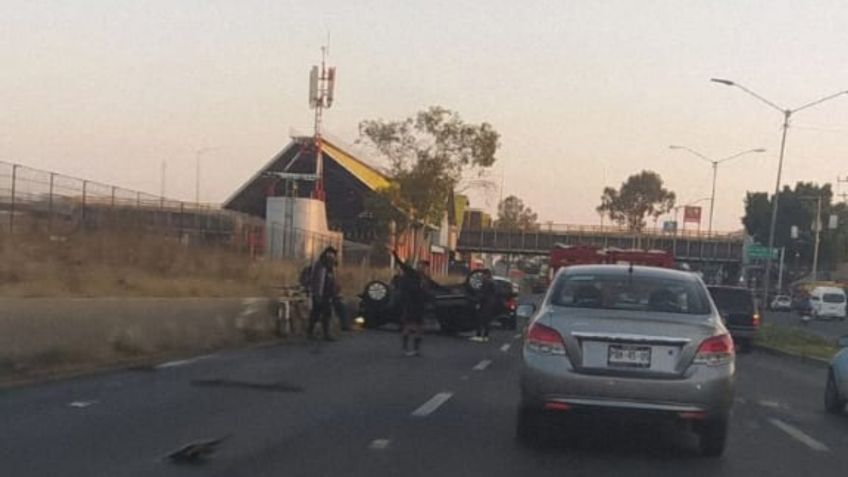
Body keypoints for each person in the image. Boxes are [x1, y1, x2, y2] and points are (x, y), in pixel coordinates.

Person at [393, 250, 431, 356]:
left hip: (420, 306)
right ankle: (404, 348)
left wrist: (450, 291)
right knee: (408, 326)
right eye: (422, 265)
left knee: (419, 328)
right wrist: (395, 253)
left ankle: (416, 349)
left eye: (425, 266)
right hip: (411, 305)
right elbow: (402, 264)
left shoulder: (426, 278)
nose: (423, 268)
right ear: (418, 266)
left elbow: (436, 286)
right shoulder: (412, 273)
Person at [307, 246, 339, 341]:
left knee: (326, 313)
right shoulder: (320, 265)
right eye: (330, 255)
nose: (332, 257)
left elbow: (332, 280)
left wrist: (334, 292)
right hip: (320, 294)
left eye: (333, 255)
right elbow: (317, 281)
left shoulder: (330, 267)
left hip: (327, 294)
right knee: (316, 313)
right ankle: (311, 332)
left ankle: (324, 333)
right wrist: (317, 294)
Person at [471, 270, 498, 342]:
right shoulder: (493, 283)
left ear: (486, 275)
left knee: (480, 319)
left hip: (484, 303)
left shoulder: (486, 283)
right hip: (490, 303)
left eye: (483, 275)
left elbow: (482, 294)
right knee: (487, 320)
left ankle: (479, 335)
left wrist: (478, 301)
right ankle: (486, 336)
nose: (482, 276)